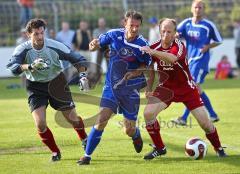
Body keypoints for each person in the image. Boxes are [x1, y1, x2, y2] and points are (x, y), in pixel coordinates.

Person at [140, 18, 227, 160]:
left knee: (206, 124)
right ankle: (160, 148)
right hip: (166, 88)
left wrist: (152, 52)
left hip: (186, 88)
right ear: (159, 31)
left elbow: (172, 59)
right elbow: (150, 69)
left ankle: (218, 148)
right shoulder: (154, 47)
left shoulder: (179, 46)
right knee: (148, 114)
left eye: (169, 31)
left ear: (175, 33)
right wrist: (149, 88)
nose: (166, 34)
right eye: (163, 31)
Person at [7, 19, 88, 162]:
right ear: (28, 34)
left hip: (57, 82)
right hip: (35, 86)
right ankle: (55, 152)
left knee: (73, 120)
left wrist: (82, 76)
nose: (39, 37)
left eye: (41, 33)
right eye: (36, 34)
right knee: (40, 124)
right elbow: (13, 68)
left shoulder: (55, 46)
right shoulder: (23, 49)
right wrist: (30, 67)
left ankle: (85, 138)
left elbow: (78, 59)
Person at [77, 10, 152, 165]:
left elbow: (147, 65)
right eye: (132, 25)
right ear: (125, 23)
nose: (135, 29)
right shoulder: (113, 35)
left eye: (138, 26)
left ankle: (135, 134)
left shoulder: (142, 45)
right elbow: (97, 43)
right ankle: (87, 155)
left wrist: (136, 72)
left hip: (130, 90)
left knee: (128, 130)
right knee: (101, 119)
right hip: (111, 87)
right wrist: (93, 45)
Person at [171, 0, 222, 125]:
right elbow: (177, 32)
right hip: (190, 60)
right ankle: (213, 115)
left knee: (192, 87)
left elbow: (219, 40)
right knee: (197, 89)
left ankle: (183, 118)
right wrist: (176, 35)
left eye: (200, 7)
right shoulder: (187, 23)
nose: (197, 9)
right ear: (191, 9)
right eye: (196, 7)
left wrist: (207, 47)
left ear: (203, 9)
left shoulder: (208, 25)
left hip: (201, 60)